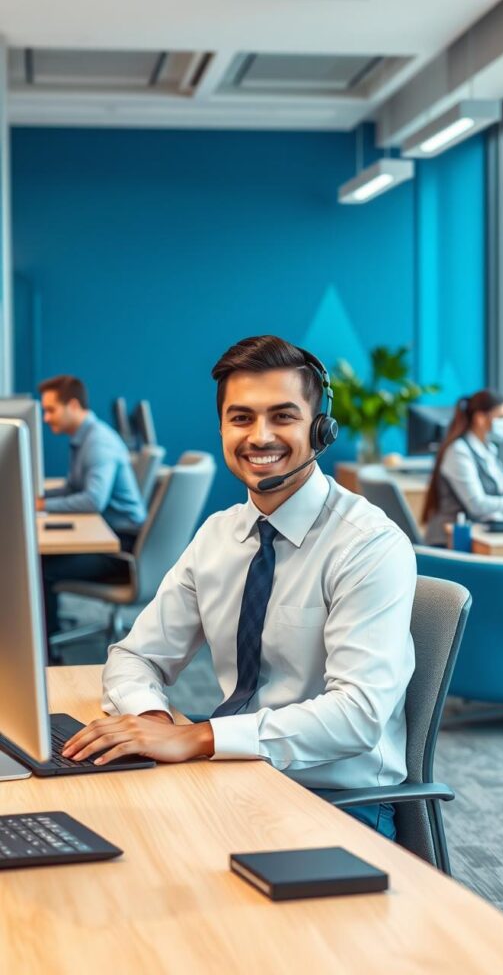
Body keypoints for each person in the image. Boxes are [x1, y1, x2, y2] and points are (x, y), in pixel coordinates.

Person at [62, 336, 416, 841]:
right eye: (242, 418)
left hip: (334, 800)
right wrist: (153, 720)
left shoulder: (367, 545)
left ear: (322, 430)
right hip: (232, 770)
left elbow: (357, 716)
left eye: (283, 416)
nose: (260, 436)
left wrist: (202, 737)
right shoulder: (218, 535)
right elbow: (135, 655)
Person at [38, 375, 147, 637]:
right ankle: (46, 629)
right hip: (109, 536)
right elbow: (74, 488)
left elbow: (91, 500)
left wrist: (42, 506)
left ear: (73, 406)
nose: (46, 418)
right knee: (40, 558)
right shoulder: (83, 439)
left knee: (40, 568)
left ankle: (47, 651)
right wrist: (40, 498)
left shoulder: (98, 442)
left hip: (121, 549)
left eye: (51, 410)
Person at [423, 389, 503, 546]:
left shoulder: (489, 448)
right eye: (501, 417)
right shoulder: (458, 451)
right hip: (449, 542)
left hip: (479, 536)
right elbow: (478, 505)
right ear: (480, 418)